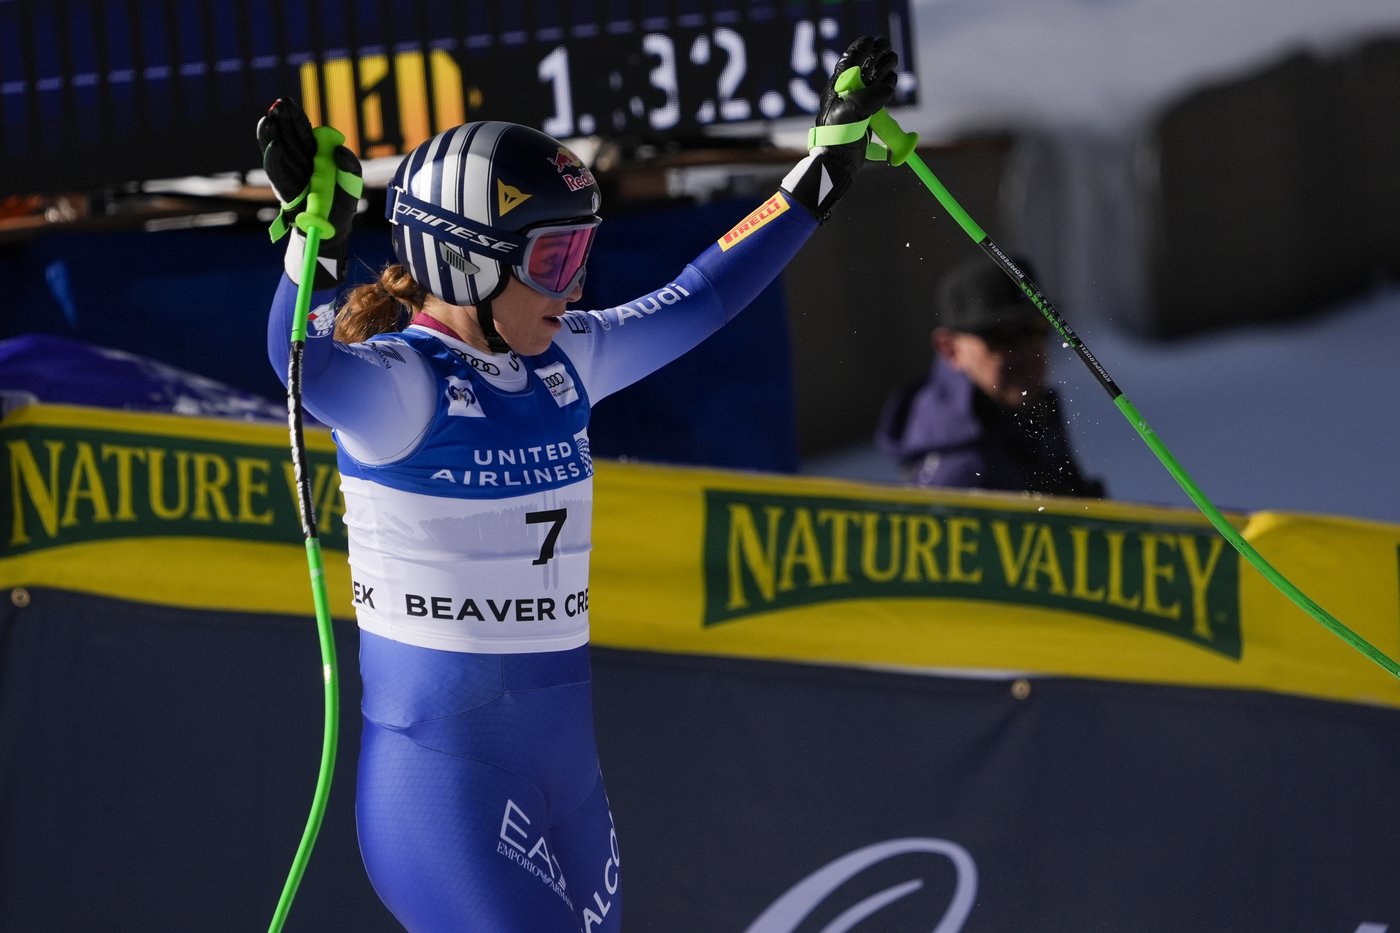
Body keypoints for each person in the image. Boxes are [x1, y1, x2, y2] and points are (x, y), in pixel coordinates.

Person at [258, 37, 899, 933]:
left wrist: (819, 173)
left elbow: (701, 295)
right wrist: (310, 238)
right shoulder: (402, 389)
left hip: (568, 780)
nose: (574, 287)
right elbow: (309, 370)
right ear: (466, 263)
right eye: (553, 262)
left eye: (580, 257)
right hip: (446, 788)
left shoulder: (566, 361)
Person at [875, 254, 1105, 497]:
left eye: (1035, 329)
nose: (1025, 352)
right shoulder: (959, 475)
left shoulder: (1028, 414)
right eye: (1001, 336)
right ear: (950, 349)